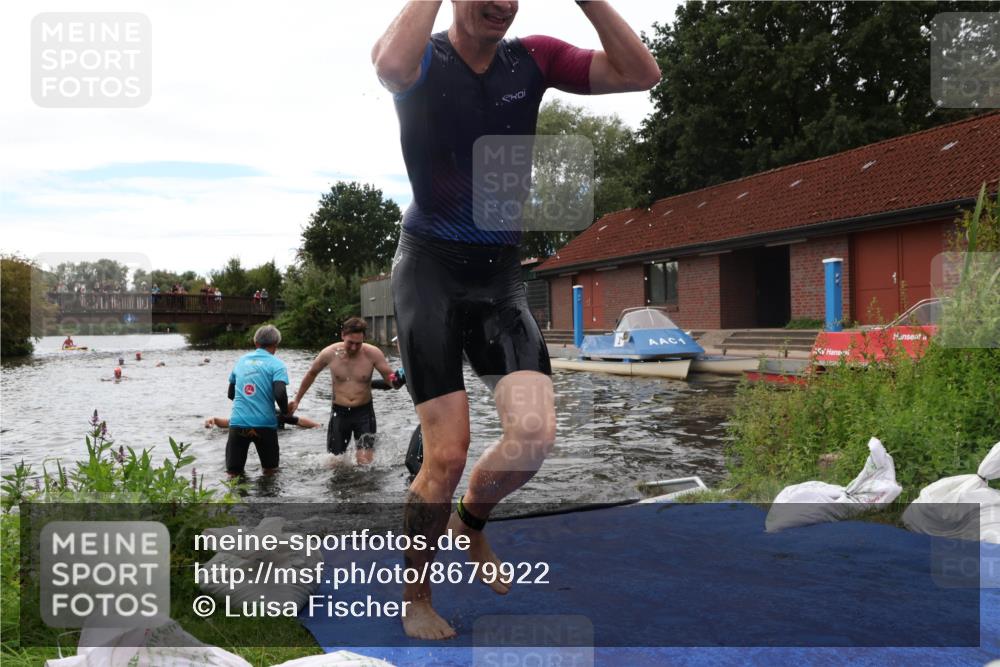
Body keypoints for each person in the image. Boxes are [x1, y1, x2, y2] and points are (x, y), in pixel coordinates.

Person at [373, 0, 660, 639]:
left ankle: (469, 523)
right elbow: (390, 66)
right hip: (430, 273)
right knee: (445, 454)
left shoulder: (532, 58)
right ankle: (415, 596)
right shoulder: (423, 54)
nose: (502, 3)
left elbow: (641, 74)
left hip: (499, 278)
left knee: (534, 436)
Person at [287, 317, 403, 465]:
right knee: (334, 463)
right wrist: (297, 400)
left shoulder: (373, 353)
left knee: (365, 465)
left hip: (364, 414)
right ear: (343, 335)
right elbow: (311, 374)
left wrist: (401, 378)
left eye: (358, 344)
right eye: (350, 343)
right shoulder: (329, 353)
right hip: (339, 414)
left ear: (364, 339)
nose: (354, 347)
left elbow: (390, 379)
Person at [224, 324, 290, 477]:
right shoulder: (277, 364)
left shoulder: (240, 361)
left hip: (239, 423)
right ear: (276, 345)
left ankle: (234, 500)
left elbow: (231, 394)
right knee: (270, 472)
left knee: (233, 474)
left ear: (255, 343)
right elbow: (280, 394)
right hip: (265, 425)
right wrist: (285, 412)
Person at [205, 413, 321, 429]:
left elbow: (299, 421)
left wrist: (318, 426)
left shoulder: (277, 413)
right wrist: (214, 419)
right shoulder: (247, 414)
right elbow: (226, 423)